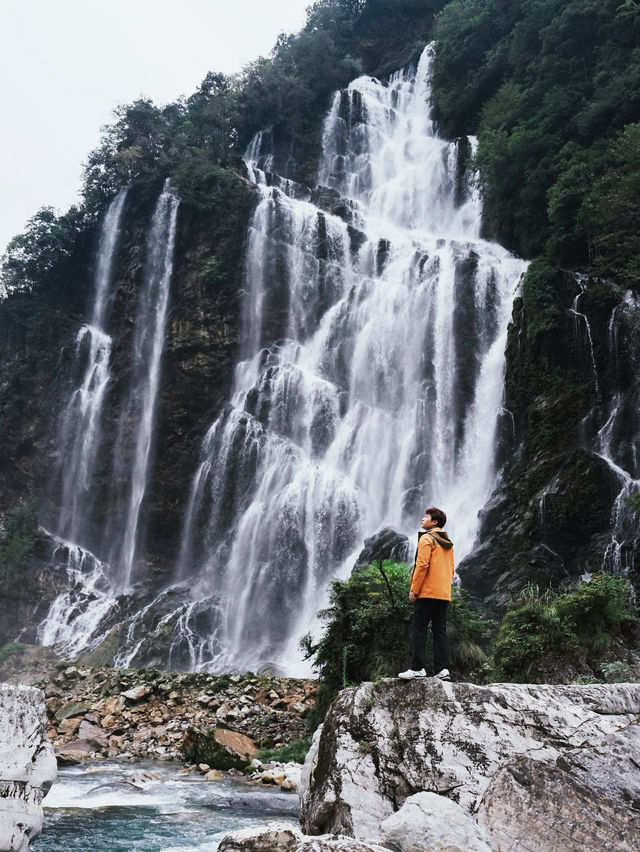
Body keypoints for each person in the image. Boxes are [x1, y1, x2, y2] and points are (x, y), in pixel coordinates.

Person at [398, 506, 454, 681]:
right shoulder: (447, 543)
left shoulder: (427, 538)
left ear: (434, 522)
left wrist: (414, 590)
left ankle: (417, 668)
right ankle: (443, 669)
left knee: (419, 629)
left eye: (426, 516)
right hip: (443, 594)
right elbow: (451, 570)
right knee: (440, 630)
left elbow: (421, 565)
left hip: (427, 592)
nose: (422, 519)